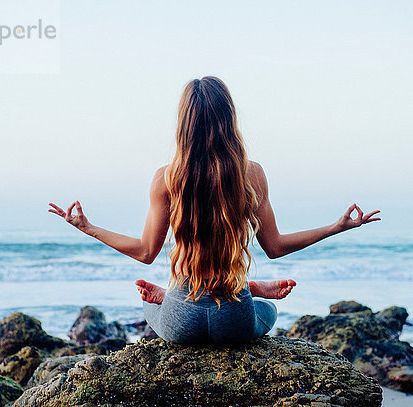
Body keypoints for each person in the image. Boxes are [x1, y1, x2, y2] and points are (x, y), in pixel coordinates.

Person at [48, 76, 380, 344]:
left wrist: (87, 227)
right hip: (233, 317)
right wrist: (336, 227)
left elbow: (146, 252)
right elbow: (275, 247)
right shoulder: (251, 175)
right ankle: (250, 288)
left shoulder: (166, 178)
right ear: (229, 119)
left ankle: (175, 292)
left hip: (181, 318)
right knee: (267, 311)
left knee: (149, 306)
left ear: (183, 125)